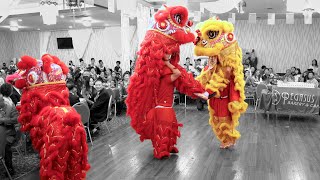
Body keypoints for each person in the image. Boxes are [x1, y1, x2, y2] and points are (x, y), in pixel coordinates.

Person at [126, 5, 207, 159]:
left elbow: (182, 77)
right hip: (162, 107)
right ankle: (161, 149)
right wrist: (168, 63)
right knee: (163, 128)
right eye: (166, 53)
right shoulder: (164, 73)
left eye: (171, 53)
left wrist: (199, 90)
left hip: (167, 106)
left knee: (169, 127)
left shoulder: (167, 70)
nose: (169, 54)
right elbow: (177, 73)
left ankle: (169, 146)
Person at [194, 18, 248, 149]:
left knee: (224, 119)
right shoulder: (213, 65)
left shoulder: (228, 68)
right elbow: (205, 76)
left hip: (223, 99)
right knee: (217, 120)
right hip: (214, 100)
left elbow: (222, 78)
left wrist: (207, 92)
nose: (212, 58)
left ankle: (229, 139)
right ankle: (226, 139)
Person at [0, 84, 19, 176]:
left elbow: (16, 119)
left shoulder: (10, 106)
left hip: (9, 134)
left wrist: (3, 120)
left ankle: (9, 168)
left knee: (6, 147)